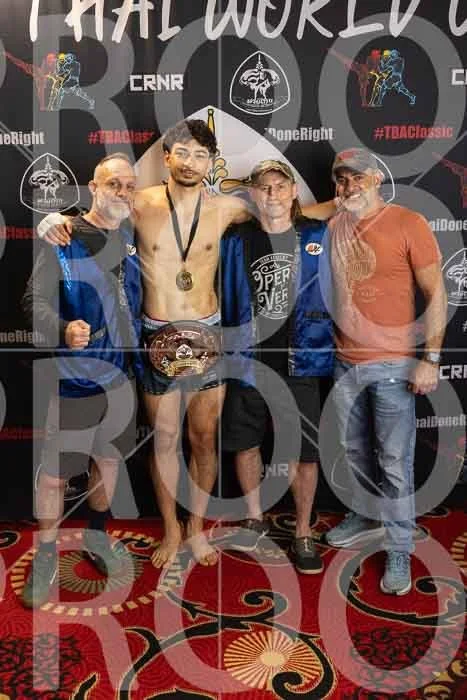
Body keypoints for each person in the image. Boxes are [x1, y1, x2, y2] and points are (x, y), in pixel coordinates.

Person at [37, 119, 336, 569]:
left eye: (201, 155)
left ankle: (194, 528)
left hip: (208, 335)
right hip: (156, 335)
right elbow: (97, 214)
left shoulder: (229, 208)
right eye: (183, 153)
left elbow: (283, 211)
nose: (191, 162)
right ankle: (171, 528)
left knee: (203, 439)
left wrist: (343, 205)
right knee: (164, 440)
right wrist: (56, 219)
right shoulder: (139, 202)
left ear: (211, 162)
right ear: (168, 157)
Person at [21, 153, 142, 607]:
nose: (123, 193)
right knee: (55, 476)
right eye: (114, 184)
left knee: (107, 464)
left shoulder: (130, 233)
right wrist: (62, 328)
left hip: (123, 378)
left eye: (129, 186)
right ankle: (46, 555)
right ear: (93, 187)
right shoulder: (63, 235)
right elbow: (33, 301)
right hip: (77, 379)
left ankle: (96, 537)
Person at [324, 148, 447, 595]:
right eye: (341, 179)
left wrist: (430, 359)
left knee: (394, 462)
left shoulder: (408, 222)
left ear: (376, 178)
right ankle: (364, 514)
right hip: (344, 361)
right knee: (353, 451)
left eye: (357, 178)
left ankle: (399, 547)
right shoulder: (335, 223)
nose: (349, 186)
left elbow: (437, 294)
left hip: (393, 363)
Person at [221, 160, 334, 574]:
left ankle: (302, 531)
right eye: (264, 186)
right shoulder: (235, 239)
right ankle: (255, 518)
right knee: (246, 442)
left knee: (304, 452)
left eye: (280, 185)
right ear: (252, 193)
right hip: (248, 357)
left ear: (293, 191)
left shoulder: (318, 235)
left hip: (300, 356)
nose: (272, 193)